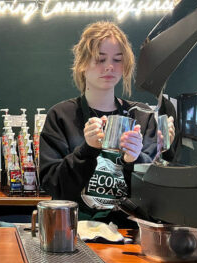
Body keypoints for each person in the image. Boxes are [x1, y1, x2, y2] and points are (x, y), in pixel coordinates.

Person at [39, 21, 158, 227]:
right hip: (73, 234)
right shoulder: (61, 116)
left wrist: (134, 161)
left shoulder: (142, 116)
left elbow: (157, 192)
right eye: (100, 59)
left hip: (129, 235)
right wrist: (86, 150)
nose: (109, 66)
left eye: (117, 60)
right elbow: (54, 186)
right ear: (83, 63)